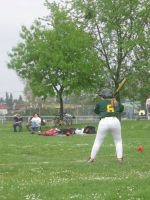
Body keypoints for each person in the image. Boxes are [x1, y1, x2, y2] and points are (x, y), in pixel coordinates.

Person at [88, 88, 124, 163]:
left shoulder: (100, 103)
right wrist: (114, 102)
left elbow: (96, 111)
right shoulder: (115, 102)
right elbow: (121, 109)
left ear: (104, 96)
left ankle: (92, 158)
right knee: (118, 141)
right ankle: (120, 158)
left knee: (98, 141)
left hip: (104, 121)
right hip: (115, 121)